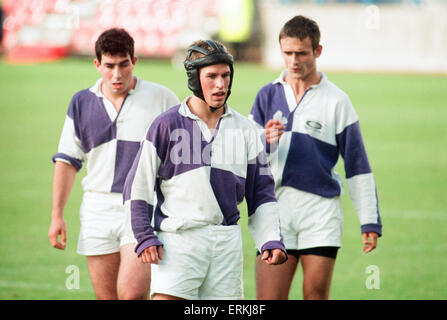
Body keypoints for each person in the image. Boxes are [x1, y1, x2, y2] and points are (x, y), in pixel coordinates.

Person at [123, 39, 287, 300]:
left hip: (226, 245)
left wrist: (269, 238)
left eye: (226, 75)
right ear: (194, 79)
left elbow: (262, 194)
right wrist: (143, 235)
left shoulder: (245, 130)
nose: (221, 84)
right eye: (211, 76)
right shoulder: (165, 125)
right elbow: (137, 185)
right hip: (178, 242)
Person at [249, 15, 382, 300]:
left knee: (315, 296)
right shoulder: (265, 96)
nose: (294, 61)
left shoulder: (337, 101)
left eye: (301, 53)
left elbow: (357, 165)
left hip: (320, 212)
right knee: (268, 299)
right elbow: (246, 157)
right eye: (287, 53)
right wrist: (264, 141)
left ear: (317, 51)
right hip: (275, 211)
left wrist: (369, 221)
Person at [48, 28, 179, 300]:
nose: (117, 74)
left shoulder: (162, 98)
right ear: (97, 65)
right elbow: (67, 162)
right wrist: (56, 215)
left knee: (131, 295)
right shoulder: (81, 102)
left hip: (142, 207)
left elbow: (182, 159)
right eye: (109, 66)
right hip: (97, 209)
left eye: (124, 65)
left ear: (135, 61)